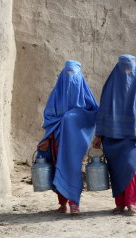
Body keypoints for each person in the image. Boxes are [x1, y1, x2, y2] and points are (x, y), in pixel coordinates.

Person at [93, 54, 136, 215]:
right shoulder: (109, 87)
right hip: (111, 138)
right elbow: (103, 112)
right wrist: (99, 135)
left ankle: (130, 201)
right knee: (116, 171)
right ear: (117, 68)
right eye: (124, 68)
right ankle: (120, 203)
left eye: (130, 68)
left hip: (132, 137)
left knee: (131, 166)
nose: (127, 72)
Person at [37, 60, 98, 215]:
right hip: (56, 140)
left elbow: (92, 115)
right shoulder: (55, 96)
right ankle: (62, 203)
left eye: (73, 74)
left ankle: (74, 203)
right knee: (59, 167)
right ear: (62, 76)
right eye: (67, 73)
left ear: (79, 77)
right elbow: (50, 119)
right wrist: (47, 138)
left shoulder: (85, 98)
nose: (70, 77)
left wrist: (71, 117)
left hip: (75, 142)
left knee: (73, 169)